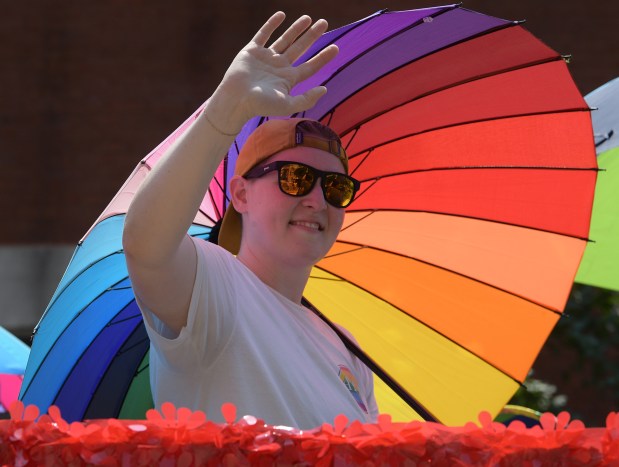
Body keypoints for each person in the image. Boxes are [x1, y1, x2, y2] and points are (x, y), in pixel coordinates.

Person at [123, 11, 379, 429]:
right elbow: (144, 245)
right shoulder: (214, 284)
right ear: (241, 194)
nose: (318, 200)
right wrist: (227, 109)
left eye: (336, 187)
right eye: (297, 178)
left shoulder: (347, 347)